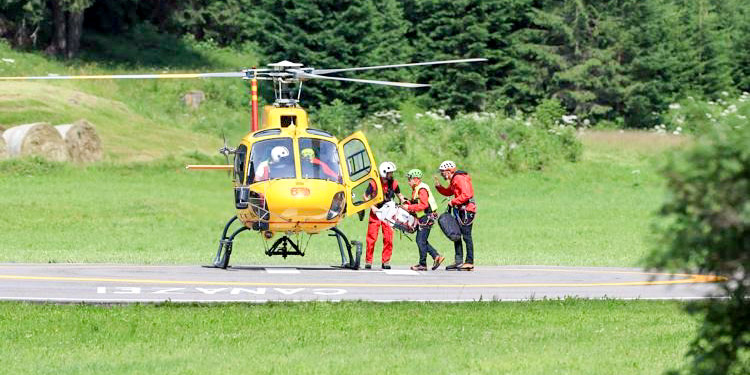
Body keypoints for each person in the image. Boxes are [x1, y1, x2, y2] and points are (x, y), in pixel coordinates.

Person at [363, 161, 406, 270]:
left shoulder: (394, 183)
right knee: (371, 238)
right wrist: (372, 207)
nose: (391, 175)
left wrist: (404, 201)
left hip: (388, 213)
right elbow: (365, 196)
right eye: (390, 173)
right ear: (384, 173)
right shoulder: (374, 183)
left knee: (388, 238)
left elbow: (400, 195)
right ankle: (368, 261)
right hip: (376, 213)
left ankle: (385, 261)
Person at [434, 160, 476, 270]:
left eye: (443, 172)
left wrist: (453, 202)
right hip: (461, 210)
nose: (442, 174)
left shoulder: (459, 178)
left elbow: (467, 194)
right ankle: (458, 261)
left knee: (466, 236)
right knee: (456, 235)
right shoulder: (454, 179)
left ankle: (469, 262)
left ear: (448, 171)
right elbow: (449, 192)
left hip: (467, 210)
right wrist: (439, 187)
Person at [403, 169, 445, 271]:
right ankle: (436, 256)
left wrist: (409, 208)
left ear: (416, 179)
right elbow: (417, 203)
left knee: (420, 240)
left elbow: (423, 205)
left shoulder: (422, 189)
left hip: (426, 217)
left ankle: (423, 264)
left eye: (410, 179)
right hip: (424, 217)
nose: (408, 182)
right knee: (422, 240)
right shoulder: (417, 188)